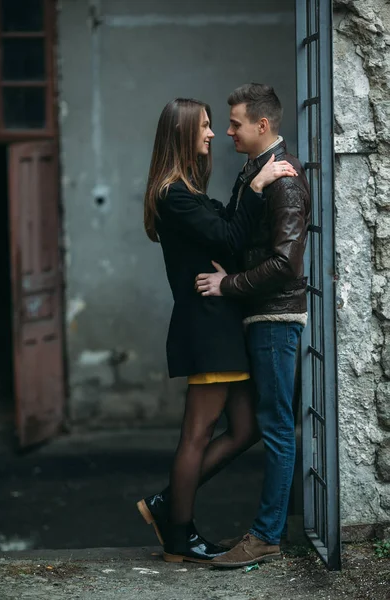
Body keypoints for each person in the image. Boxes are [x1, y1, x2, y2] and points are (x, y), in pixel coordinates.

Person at [138, 97, 297, 564]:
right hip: (206, 328)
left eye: (215, 125)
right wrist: (259, 182)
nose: (212, 134)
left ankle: (169, 502)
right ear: (183, 133)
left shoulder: (191, 192)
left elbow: (227, 229)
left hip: (222, 325)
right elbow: (229, 237)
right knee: (197, 434)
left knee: (245, 427)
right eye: (205, 126)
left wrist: (249, 189)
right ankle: (179, 534)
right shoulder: (174, 195)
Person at [195, 83, 311, 568]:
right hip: (261, 316)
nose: (227, 132)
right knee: (267, 424)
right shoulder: (257, 172)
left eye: (236, 123)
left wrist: (229, 285)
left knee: (278, 427)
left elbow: (286, 264)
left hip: (275, 317)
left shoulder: (282, 179)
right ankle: (182, 504)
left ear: (262, 125)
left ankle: (266, 535)